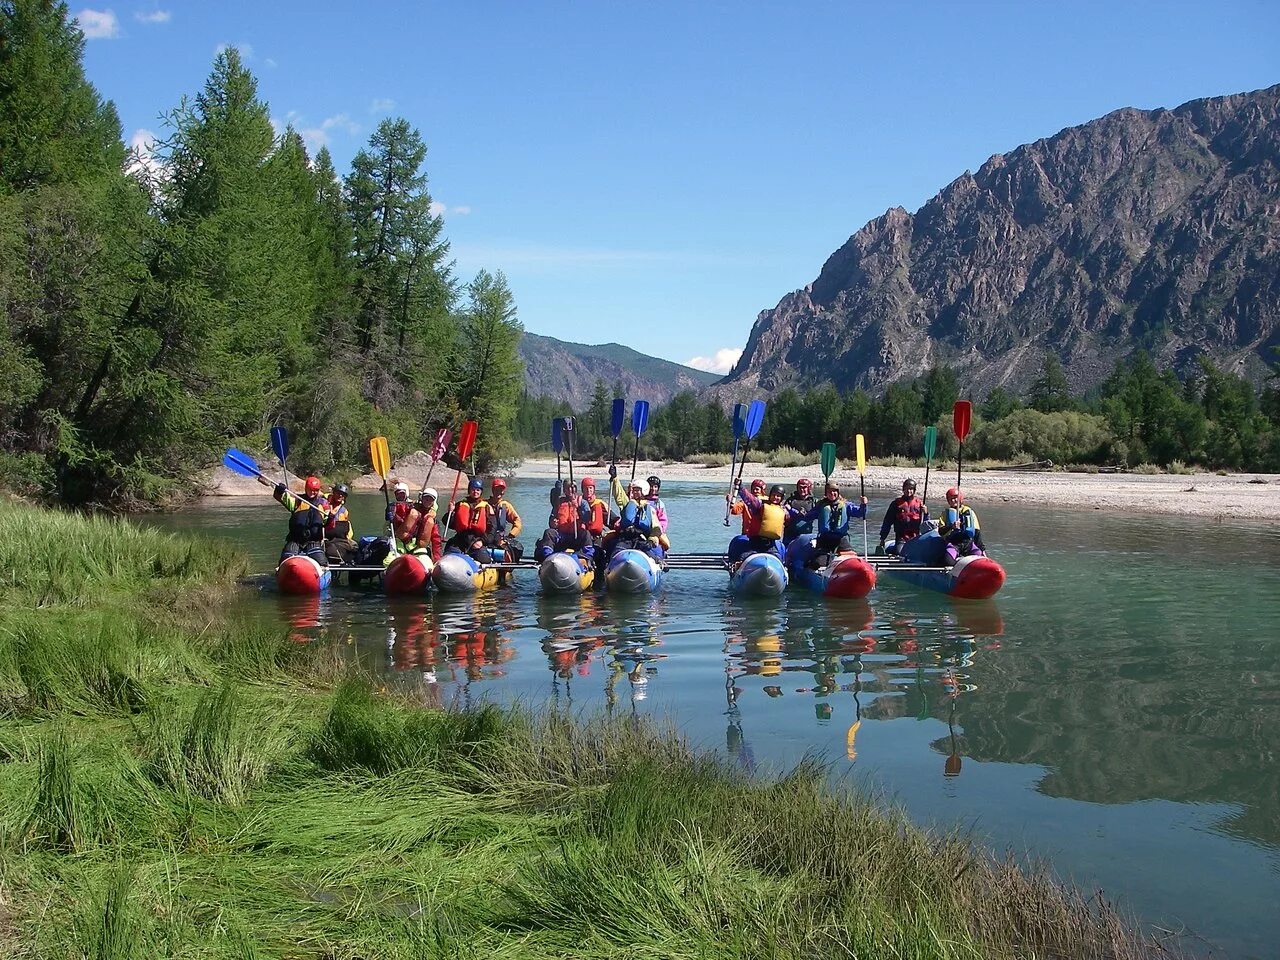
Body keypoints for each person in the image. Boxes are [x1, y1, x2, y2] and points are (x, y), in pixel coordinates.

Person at [790, 481, 867, 570]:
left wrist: (863, 505)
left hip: (841, 539)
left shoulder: (846, 505)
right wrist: (801, 514)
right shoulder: (821, 505)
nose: (832, 493)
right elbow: (809, 517)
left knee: (852, 561)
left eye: (834, 491)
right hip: (824, 539)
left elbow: (860, 513)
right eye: (829, 491)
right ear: (826, 493)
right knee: (819, 563)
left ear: (838, 492)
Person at [603, 466, 664, 561]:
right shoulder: (627, 504)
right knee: (615, 550)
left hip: (642, 539)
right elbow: (619, 495)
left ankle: (659, 562)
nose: (634, 492)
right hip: (626, 538)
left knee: (655, 553)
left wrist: (651, 540)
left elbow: (656, 528)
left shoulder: (650, 509)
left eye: (637, 490)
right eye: (634, 490)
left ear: (643, 491)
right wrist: (615, 478)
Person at [267, 474, 330, 565]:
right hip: (295, 540)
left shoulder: (323, 503)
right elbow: (279, 497)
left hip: (313, 541)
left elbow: (326, 522)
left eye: (315, 490)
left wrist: (330, 518)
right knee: (285, 560)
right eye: (310, 490)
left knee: (322, 562)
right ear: (306, 489)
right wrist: (279, 490)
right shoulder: (297, 500)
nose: (312, 492)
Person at [726, 481, 787, 568]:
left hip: (770, 545)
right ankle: (739, 565)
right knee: (744, 557)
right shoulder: (759, 505)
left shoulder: (783, 510)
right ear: (770, 495)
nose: (775, 497)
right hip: (755, 542)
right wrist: (740, 487)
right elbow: (749, 499)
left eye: (778, 496)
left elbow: (792, 517)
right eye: (774, 495)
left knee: (779, 558)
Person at [535, 477, 593, 562]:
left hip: (576, 536)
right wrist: (553, 522)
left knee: (586, 534)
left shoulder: (582, 502)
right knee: (549, 532)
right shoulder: (559, 502)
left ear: (575, 489)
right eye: (567, 488)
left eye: (572, 487)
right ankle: (548, 558)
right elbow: (552, 518)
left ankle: (588, 558)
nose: (570, 490)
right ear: (564, 490)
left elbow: (587, 518)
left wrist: (578, 508)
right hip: (562, 536)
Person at [446, 477, 495, 563]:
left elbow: (492, 528)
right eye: (473, 489)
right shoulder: (460, 505)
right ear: (469, 491)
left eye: (478, 490)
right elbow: (449, 523)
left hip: (478, 540)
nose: (475, 492)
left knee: (485, 559)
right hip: (461, 540)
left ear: (481, 492)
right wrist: (450, 512)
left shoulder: (487, 507)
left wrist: (482, 542)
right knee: (449, 551)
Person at [878, 477, 929, 555]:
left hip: (915, 538)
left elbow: (927, 524)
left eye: (911, 489)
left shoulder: (920, 504)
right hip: (901, 538)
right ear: (903, 489)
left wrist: (926, 513)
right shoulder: (896, 504)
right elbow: (887, 522)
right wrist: (882, 538)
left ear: (914, 490)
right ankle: (892, 548)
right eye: (906, 489)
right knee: (900, 553)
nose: (909, 491)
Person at [937, 488, 985, 564]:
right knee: (948, 561)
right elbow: (941, 532)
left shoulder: (969, 511)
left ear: (960, 498)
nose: (953, 500)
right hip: (954, 543)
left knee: (979, 556)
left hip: (968, 543)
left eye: (955, 498)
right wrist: (951, 526)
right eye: (951, 499)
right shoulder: (945, 514)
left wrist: (982, 549)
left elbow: (977, 532)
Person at [488, 477, 524, 562]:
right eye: (496, 489)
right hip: (486, 538)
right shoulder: (485, 504)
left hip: (499, 539)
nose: (499, 492)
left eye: (501, 489)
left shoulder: (505, 505)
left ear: (503, 492)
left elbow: (517, 521)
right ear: (493, 490)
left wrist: (511, 535)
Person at [406, 488, 443, 562]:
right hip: (404, 545)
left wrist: (437, 559)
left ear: (433, 502)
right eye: (425, 498)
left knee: (426, 563)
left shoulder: (433, 521)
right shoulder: (410, 510)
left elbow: (436, 541)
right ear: (421, 499)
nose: (427, 501)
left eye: (430, 499)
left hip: (420, 549)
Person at [323, 483, 357, 565]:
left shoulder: (344, 511)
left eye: (342, 495)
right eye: (338, 493)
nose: (340, 496)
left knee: (355, 546)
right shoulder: (325, 504)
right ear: (334, 493)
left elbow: (347, 526)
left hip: (340, 538)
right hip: (327, 537)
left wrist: (348, 538)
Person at [578, 477, 613, 545]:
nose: (588, 490)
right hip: (582, 535)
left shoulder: (599, 503)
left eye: (590, 488)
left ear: (594, 489)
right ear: (582, 490)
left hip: (596, 536)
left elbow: (612, 518)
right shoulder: (578, 503)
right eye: (586, 488)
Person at [784, 478, 816, 543]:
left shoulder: (814, 502)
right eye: (800, 487)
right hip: (790, 535)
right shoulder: (790, 500)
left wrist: (807, 515)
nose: (802, 490)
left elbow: (817, 515)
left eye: (804, 488)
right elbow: (784, 514)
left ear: (809, 488)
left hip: (806, 535)